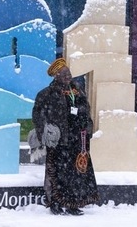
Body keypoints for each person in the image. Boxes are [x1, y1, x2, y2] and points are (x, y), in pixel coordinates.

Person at [32, 58, 99, 215]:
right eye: (63, 73)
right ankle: (54, 202)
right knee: (56, 172)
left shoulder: (78, 91)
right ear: (56, 76)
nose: (67, 76)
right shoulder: (46, 94)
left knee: (74, 173)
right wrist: (45, 131)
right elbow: (38, 114)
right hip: (58, 140)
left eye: (68, 73)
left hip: (77, 139)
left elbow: (86, 111)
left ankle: (72, 203)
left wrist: (88, 127)